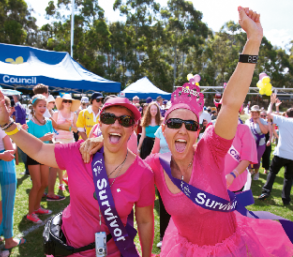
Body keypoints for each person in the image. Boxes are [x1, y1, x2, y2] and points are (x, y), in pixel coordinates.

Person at [80, 7, 293, 256]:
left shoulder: (211, 150)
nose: (182, 129)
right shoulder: (154, 165)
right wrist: (102, 142)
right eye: (174, 123)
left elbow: (231, 104)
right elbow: (122, 170)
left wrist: (253, 40)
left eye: (190, 125)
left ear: (199, 131)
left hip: (230, 248)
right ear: (163, 129)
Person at [0, 92, 154, 257]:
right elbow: (39, 149)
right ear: (100, 124)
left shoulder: (143, 174)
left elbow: (145, 221)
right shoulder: (79, 152)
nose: (116, 125)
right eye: (108, 118)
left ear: (134, 128)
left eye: (125, 121)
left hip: (113, 252)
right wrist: (6, 124)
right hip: (68, 249)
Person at [0, 96, 25, 250]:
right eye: (9, 105)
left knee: (0, 207)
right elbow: (11, 149)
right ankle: (9, 239)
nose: (11, 108)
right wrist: (18, 136)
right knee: (7, 205)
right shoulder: (0, 126)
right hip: (5, 165)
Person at [259, 94, 293, 205]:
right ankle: (286, 199)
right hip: (292, 157)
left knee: (272, 172)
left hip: (281, 153)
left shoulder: (284, 121)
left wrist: (272, 103)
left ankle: (266, 192)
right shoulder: (284, 120)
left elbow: (269, 114)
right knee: (289, 178)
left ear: (286, 115)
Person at [26, 94, 54, 223]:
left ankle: (37, 208)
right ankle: (30, 213)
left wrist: (55, 144)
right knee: (36, 184)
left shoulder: (48, 122)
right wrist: (43, 139)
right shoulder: (29, 124)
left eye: (44, 105)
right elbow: (28, 143)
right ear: (34, 107)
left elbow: (51, 138)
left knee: (44, 184)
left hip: (45, 155)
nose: (42, 108)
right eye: (40, 106)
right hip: (33, 156)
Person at [245, 105, 268, 180]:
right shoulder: (247, 121)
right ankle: (249, 172)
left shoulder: (263, 121)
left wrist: (258, 122)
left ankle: (256, 172)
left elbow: (265, 131)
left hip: (260, 144)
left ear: (258, 113)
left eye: (256, 112)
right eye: (253, 112)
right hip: (249, 144)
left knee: (257, 159)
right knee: (248, 159)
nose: (254, 114)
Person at [12, 95, 29, 176]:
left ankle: (28, 169)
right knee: (23, 151)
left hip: (20, 130)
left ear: (15, 97)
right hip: (22, 129)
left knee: (22, 151)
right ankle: (28, 169)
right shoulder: (20, 106)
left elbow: (17, 120)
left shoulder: (17, 107)